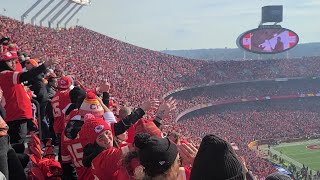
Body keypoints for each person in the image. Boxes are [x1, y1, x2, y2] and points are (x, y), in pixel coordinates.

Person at [0, 50, 59, 144]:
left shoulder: (5, 75)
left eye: (14, 60)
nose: (13, 63)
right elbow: (26, 76)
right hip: (16, 115)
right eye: (9, 61)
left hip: (14, 114)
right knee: (18, 144)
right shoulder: (6, 74)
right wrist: (45, 65)